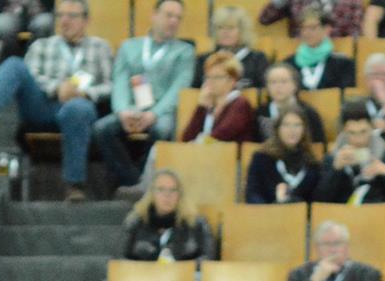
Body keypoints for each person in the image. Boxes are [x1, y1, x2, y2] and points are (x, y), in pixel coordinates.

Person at [0, 0, 111, 202]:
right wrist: (57, 88)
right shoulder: (42, 45)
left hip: (80, 106)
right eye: (60, 16)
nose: (65, 21)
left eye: (72, 16)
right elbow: (32, 75)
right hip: (44, 105)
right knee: (14, 64)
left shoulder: (100, 47)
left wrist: (85, 93)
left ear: (86, 20)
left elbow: (110, 85)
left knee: (78, 108)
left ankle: (74, 185)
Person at [94, 0, 195, 193]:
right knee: (102, 129)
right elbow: (120, 81)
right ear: (154, 15)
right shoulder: (129, 47)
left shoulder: (185, 52)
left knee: (162, 130)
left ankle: (146, 182)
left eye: (178, 18)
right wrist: (122, 110)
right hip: (131, 108)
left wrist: (154, 114)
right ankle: (133, 180)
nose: (173, 21)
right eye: (169, 15)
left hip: (163, 111)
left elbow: (178, 89)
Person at [317, 104, 385, 203]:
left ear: (372, 129)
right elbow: (319, 201)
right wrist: (335, 170)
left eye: (363, 132)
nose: (358, 140)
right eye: (352, 133)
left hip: (377, 211)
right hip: (341, 211)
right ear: (344, 132)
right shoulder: (332, 159)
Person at [120, 169, 217, 261]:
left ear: (180, 195)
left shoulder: (197, 224)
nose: (167, 195)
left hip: (186, 273)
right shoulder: (135, 223)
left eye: (173, 190)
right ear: (152, 194)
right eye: (161, 189)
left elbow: (208, 260)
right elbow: (120, 260)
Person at [245, 107, 323, 204]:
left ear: (304, 130)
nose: (292, 130)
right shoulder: (261, 158)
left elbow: (315, 199)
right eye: (286, 125)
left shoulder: (312, 165)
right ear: (278, 129)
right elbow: (252, 193)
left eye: (297, 125)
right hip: (266, 211)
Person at [184, 51, 260, 143]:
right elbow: (186, 139)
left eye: (217, 77)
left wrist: (197, 144)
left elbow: (221, 136)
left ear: (232, 80)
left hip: (231, 152)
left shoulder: (240, 104)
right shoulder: (208, 104)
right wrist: (201, 107)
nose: (210, 81)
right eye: (208, 77)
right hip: (205, 151)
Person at [256, 60, 329, 145]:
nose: (278, 86)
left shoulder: (308, 113)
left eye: (284, 81)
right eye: (273, 82)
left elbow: (318, 145)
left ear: (295, 85)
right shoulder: (260, 113)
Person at [194, 5, 267, 89]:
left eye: (230, 28)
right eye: (220, 28)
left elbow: (264, 91)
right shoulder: (204, 59)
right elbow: (192, 92)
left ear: (243, 31)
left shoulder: (257, 60)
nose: (225, 32)